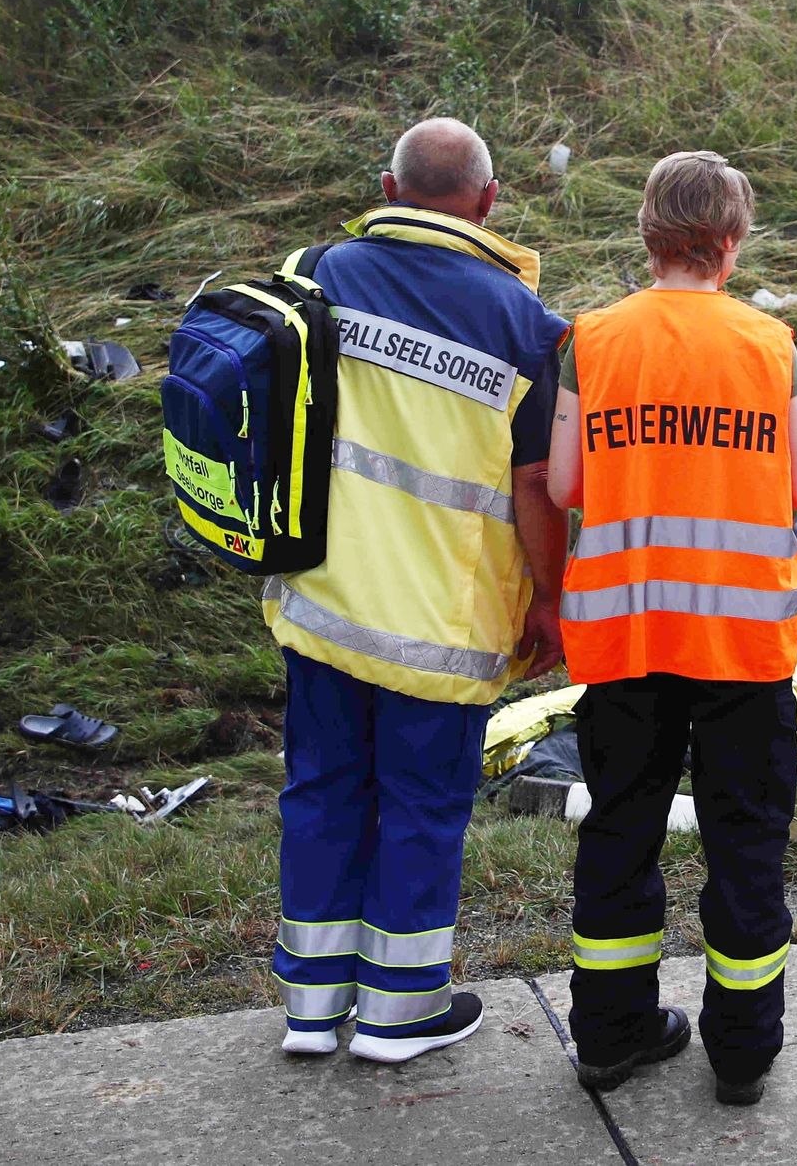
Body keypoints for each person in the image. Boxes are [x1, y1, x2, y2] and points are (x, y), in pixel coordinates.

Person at [266, 118, 569, 1063]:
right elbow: (533, 487)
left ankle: (310, 1010)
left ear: (388, 188)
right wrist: (551, 602)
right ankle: (399, 1013)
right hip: (441, 624)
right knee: (422, 806)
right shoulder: (531, 330)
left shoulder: (317, 268)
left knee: (319, 788)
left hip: (322, 602)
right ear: (488, 200)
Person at [547, 150, 797, 1107]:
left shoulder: (593, 337)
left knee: (620, 829)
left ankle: (610, 1032)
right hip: (743, 649)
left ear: (647, 235)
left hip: (626, 638)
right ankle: (742, 1050)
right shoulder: (769, 346)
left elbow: (566, 486)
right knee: (747, 842)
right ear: (731, 243)